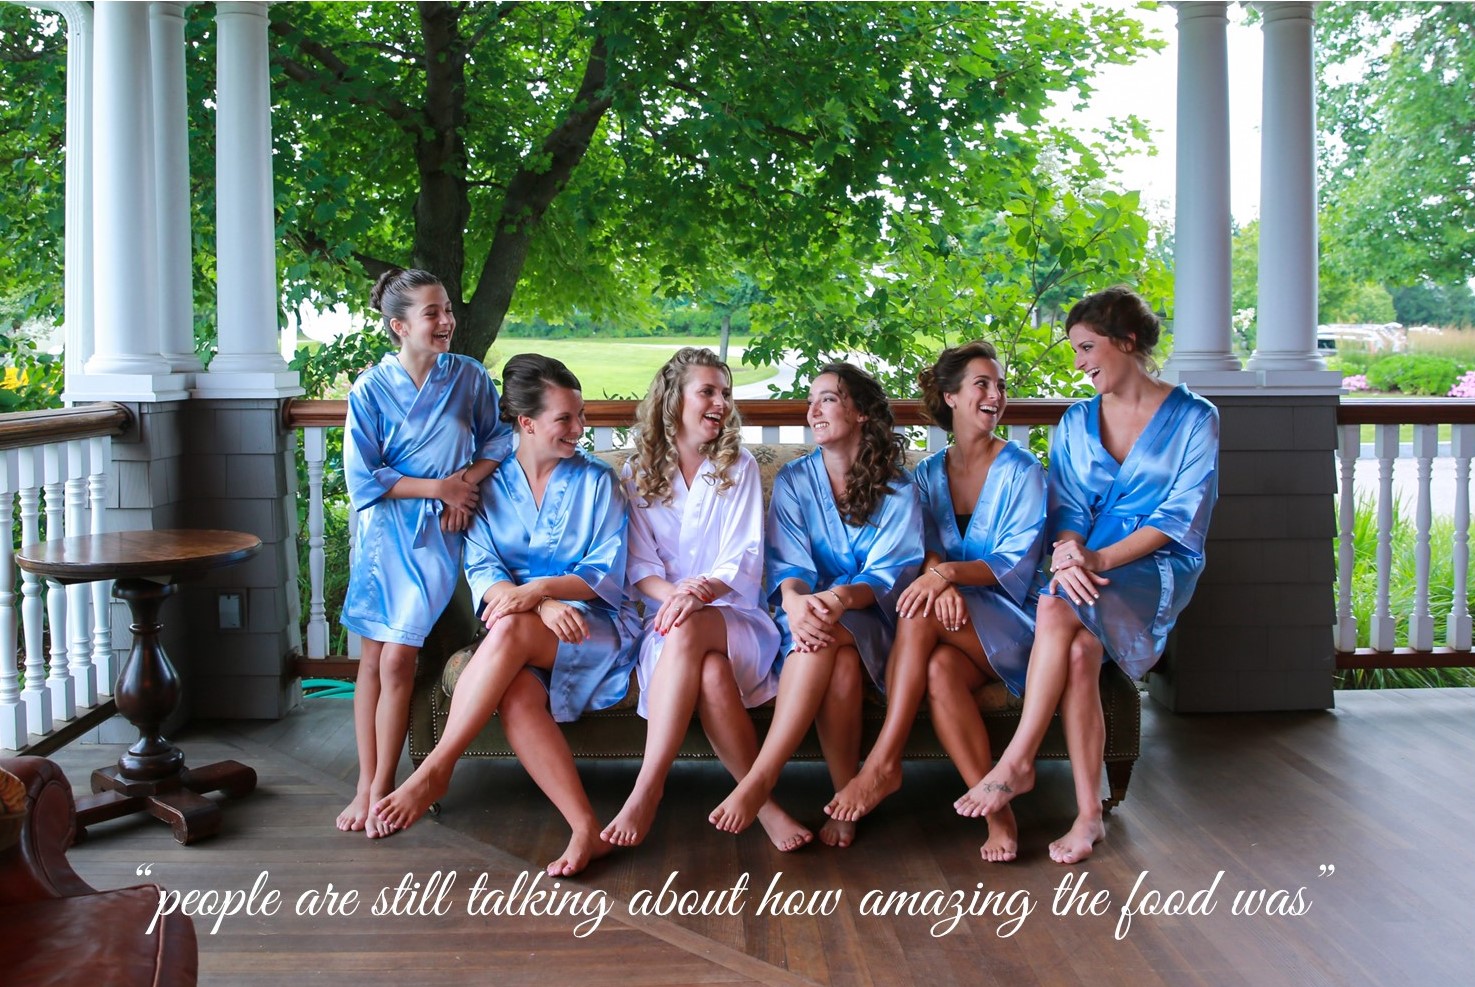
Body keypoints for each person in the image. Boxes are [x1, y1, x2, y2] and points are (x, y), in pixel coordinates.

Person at [955, 286, 1219, 864]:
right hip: (1085, 566)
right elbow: (1068, 509)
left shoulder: (1196, 418)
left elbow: (1180, 516)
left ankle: (1017, 761)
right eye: (1075, 350)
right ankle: (1088, 816)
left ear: (1127, 341)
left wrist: (1096, 561)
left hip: (1155, 567)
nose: (1078, 363)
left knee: (1054, 603)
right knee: (1077, 654)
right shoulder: (1076, 421)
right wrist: (1072, 551)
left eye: (1086, 347)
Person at [371, 354, 638, 877]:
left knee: (512, 625)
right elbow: (483, 569)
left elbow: (604, 571)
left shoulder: (598, 482)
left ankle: (436, 769)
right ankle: (585, 827)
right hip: (521, 626)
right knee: (516, 694)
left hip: (592, 627)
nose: (579, 428)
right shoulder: (489, 487)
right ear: (526, 423)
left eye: (581, 415)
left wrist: (539, 590)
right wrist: (541, 603)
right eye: (565, 419)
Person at [825, 341, 1047, 863]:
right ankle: (998, 816)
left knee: (917, 608)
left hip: (1014, 623)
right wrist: (937, 577)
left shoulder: (1022, 470)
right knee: (940, 671)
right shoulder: (927, 475)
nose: (996, 395)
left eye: (1000, 386)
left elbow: (1015, 561)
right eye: (982, 384)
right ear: (950, 396)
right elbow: (918, 548)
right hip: (951, 624)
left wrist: (945, 575)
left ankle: (883, 762)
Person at [602, 348, 811, 852]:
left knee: (690, 627)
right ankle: (767, 808)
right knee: (710, 671)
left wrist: (698, 594)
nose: (721, 403)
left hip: (734, 617)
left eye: (726, 393)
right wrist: (677, 596)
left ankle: (647, 788)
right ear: (674, 399)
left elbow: (745, 555)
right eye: (708, 392)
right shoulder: (636, 472)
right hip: (668, 622)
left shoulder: (738, 466)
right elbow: (638, 566)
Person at [709, 362, 923, 848]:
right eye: (811, 402)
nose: (813, 411)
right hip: (805, 613)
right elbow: (787, 564)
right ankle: (846, 793)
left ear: (862, 412)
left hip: (870, 616)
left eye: (827, 398)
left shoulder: (898, 488)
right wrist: (793, 600)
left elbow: (889, 575)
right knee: (836, 660)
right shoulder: (794, 480)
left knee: (822, 641)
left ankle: (760, 778)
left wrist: (836, 598)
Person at [337, 268, 512, 838]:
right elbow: (364, 477)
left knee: (397, 659)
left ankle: (384, 785)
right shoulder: (369, 390)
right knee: (370, 660)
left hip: (440, 535)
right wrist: (442, 487)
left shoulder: (468, 377)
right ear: (399, 326)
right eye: (432, 312)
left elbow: (498, 439)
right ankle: (367, 785)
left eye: (447, 310)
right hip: (383, 536)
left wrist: (466, 485)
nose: (446, 321)